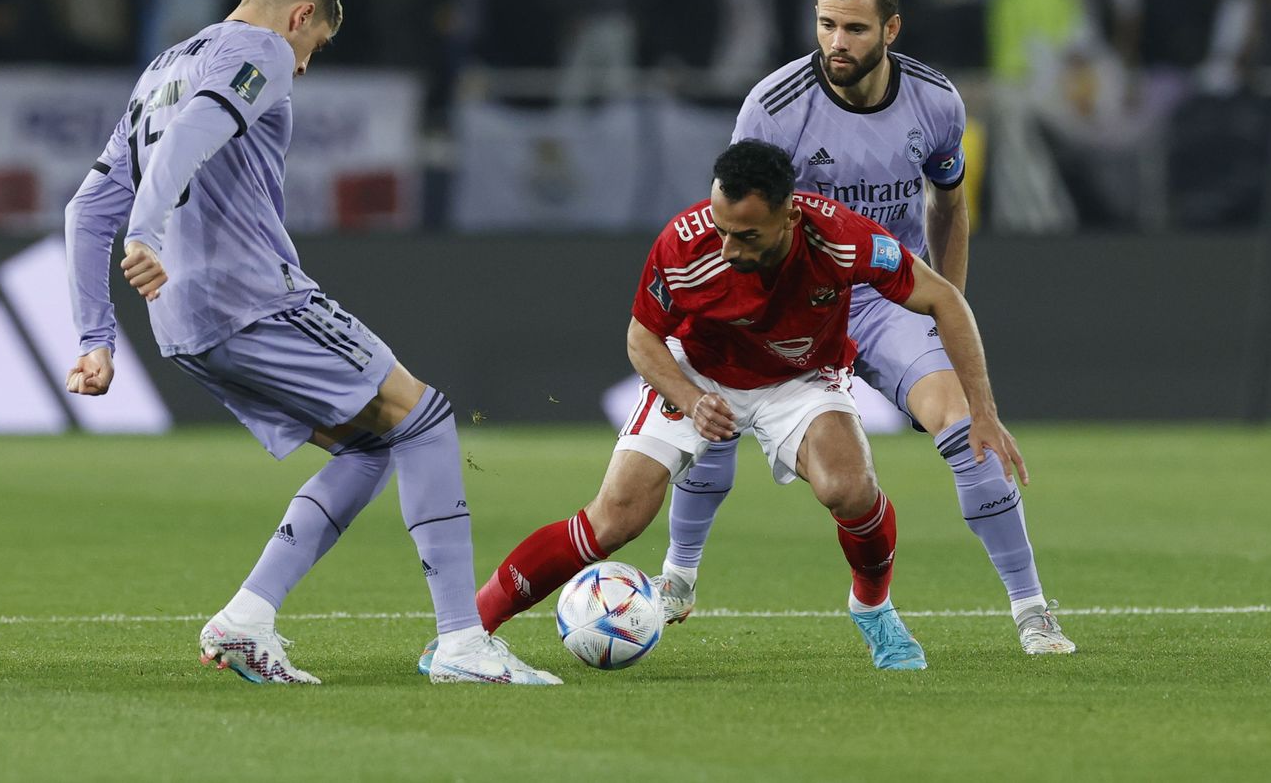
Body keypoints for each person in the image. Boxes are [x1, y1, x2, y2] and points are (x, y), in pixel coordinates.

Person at [62, 0, 560, 686]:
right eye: (314, 48)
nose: (301, 68)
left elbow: (82, 208)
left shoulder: (159, 69)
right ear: (299, 18)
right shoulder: (258, 47)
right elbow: (200, 126)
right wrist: (148, 230)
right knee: (423, 416)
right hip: (251, 298)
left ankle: (246, 620)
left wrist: (95, 337)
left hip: (180, 323)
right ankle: (462, 640)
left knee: (369, 445)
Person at [428, 139, 1025, 673]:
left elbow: (944, 299)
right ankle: (467, 632)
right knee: (614, 519)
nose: (728, 248)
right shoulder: (684, 246)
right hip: (701, 371)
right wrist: (690, 399)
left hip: (801, 377)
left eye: (747, 236)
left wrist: (985, 411)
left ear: (791, 213)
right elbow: (641, 338)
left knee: (851, 489)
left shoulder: (843, 238)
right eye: (721, 228)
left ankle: (874, 609)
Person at [655, 0, 1076, 655]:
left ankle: (1032, 610)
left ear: (892, 29)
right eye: (825, 25)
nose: (835, 43)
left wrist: (948, 310)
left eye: (853, 28)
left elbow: (949, 205)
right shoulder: (774, 107)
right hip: (785, 298)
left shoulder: (936, 102)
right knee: (711, 417)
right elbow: (737, 221)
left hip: (884, 298)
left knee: (966, 425)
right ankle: (678, 574)